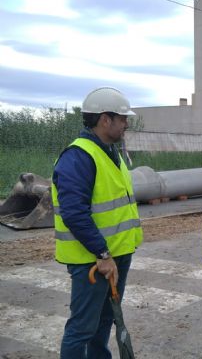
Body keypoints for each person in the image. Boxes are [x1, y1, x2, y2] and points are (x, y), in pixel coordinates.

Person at [54, 87, 143, 358]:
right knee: (82, 327)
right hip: (92, 260)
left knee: (105, 322)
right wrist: (102, 253)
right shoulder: (79, 156)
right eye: (122, 118)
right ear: (105, 119)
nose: (126, 123)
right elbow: (74, 212)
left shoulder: (111, 152)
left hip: (117, 255)